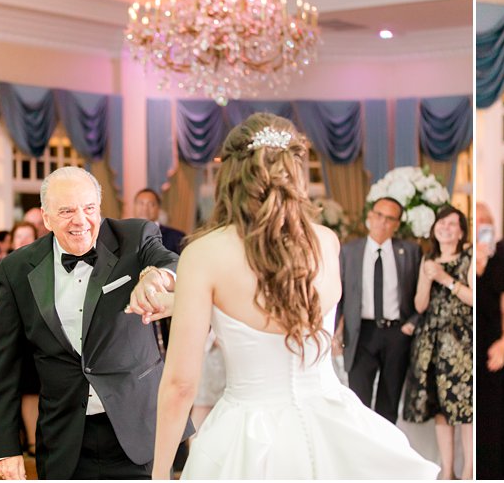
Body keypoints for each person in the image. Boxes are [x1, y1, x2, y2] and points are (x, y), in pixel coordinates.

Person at [152, 114, 437, 479]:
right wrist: (186, 302)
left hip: (248, 438)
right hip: (332, 425)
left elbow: (180, 386)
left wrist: (159, 474)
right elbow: (284, 306)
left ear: (231, 175)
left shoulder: (204, 254)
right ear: (295, 171)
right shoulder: (326, 242)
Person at [0, 166, 178, 480]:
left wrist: (157, 276)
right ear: (45, 217)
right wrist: (6, 447)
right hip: (64, 439)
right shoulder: (17, 269)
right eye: (66, 211)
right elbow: (4, 366)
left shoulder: (134, 237)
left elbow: (170, 261)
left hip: (139, 430)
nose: (80, 220)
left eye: (89, 208)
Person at [335, 196, 423, 421]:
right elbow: (339, 295)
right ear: (370, 216)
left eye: (390, 218)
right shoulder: (349, 251)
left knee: (389, 400)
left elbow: (420, 292)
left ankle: (387, 453)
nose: (382, 222)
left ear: (397, 224)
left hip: (397, 333)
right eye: (379, 215)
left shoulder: (410, 252)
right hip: (361, 332)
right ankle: (362, 452)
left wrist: (412, 322)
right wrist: (335, 331)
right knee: (358, 400)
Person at [403, 205, 474, 479]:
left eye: (452, 224)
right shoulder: (428, 259)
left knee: (465, 407)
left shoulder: (468, 257)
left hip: (460, 342)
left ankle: (468, 470)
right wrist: (426, 276)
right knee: (441, 408)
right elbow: (420, 306)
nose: (445, 228)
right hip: (431, 342)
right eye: (441, 223)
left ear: (460, 232)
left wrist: (445, 279)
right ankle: (447, 469)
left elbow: (474, 298)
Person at [0, 222, 39, 456]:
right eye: (19, 236)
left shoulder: (43, 263)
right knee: (7, 387)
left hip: (34, 336)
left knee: (32, 389)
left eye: (28, 236)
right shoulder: (2, 265)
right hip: (8, 335)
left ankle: (34, 440)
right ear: (12, 241)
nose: (23, 241)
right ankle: (11, 443)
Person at [474, 203, 504, 481]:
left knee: (493, 415)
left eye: (486, 221)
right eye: (477, 221)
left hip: (493, 344)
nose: (482, 226)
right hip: (468, 341)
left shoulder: (502, 259)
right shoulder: (464, 255)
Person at [129, 188, 184, 254]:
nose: (145, 209)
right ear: (134, 206)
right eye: (141, 203)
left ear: (158, 208)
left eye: (151, 204)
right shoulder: (122, 236)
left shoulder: (176, 237)